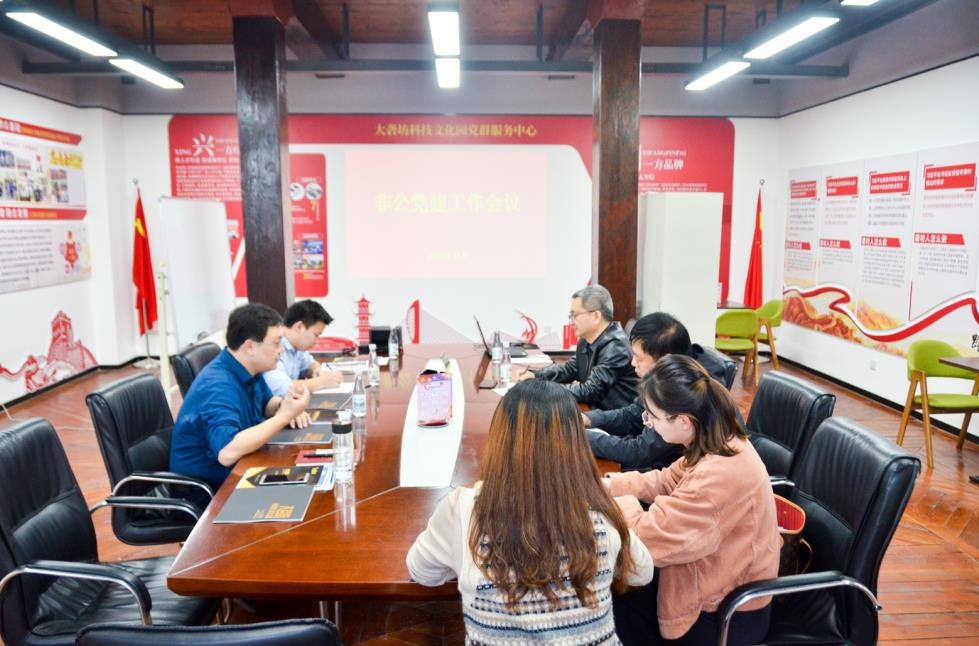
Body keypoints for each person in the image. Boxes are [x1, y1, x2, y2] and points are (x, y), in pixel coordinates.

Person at [407, 380, 654, 644]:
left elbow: (422, 571)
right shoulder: (600, 510)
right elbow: (642, 572)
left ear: (500, 438)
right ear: (576, 442)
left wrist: (464, 563)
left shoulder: (463, 507)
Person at [604, 355, 780, 645]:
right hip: (708, 575)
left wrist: (620, 500)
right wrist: (609, 485)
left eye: (651, 416)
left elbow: (646, 539)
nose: (648, 423)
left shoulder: (719, 471)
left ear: (683, 421)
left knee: (613, 594)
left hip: (724, 610)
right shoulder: (715, 438)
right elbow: (665, 480)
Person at [170, 303, 311, 505]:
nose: (281, 350)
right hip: (208, 491)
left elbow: (266, 403)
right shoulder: (218, 385)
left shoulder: (249, 368)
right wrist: (285, 416)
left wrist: (285, 405)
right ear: (250, 346)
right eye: (276, 343)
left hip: (240, 470)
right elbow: (227, 452)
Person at [586, 312, 743, 470]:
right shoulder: (673, 375)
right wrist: (588, 419)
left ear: (664, 360)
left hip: (675, 471)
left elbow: (639, 452)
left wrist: (582, 436)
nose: (633, 363)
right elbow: (634, 415)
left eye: (639, 358)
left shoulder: (685, 393)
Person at [516, 285, 637, 410]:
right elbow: (570, 369)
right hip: (593, 410)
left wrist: (544, 388)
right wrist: (536, 376)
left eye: (575, 316)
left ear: (596, 316)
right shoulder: (586, 340)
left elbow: (591, 390)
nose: (571, 322)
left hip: (613, 418)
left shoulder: (616, 347)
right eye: (570, 316)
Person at [263, 299, 343, 397]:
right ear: (299, 327)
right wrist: (323, 381)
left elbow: (310, 363)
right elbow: (284, 388)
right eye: (316, 335)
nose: (316, 341)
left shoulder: (298, 346)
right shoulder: (275, 345)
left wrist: (318, 370)